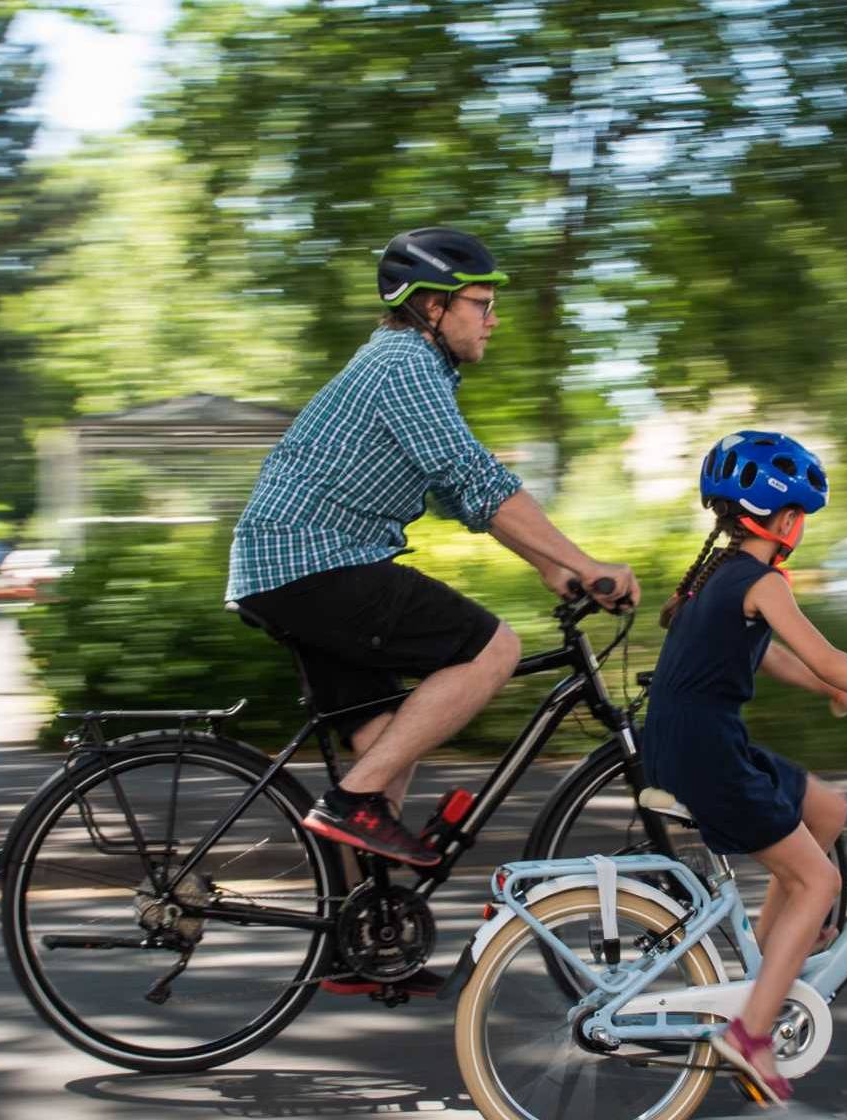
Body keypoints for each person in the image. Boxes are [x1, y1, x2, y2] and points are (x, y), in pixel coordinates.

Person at [226, 225, 639, 900]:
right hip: (315, 559)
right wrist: (585, 561)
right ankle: (351, 801)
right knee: (493, 650)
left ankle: (364, 933)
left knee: (388, 740)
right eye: (480, 303)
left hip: (293, 567)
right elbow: (476, 477)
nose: (493, 318)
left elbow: (459, 493)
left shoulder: (411, 368)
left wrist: (548, 566)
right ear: (431, 306)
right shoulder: (403, 365)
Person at [640, 431, 847, 1104]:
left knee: (828, 810)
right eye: (802, 517)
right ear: (784, 520)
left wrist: (834, 691)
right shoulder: (759, 581)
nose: (802, 528)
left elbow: (771, 655)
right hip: (708, 754)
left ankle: (765, 972)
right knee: (816, 882)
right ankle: (751, 1035)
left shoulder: (720, 578)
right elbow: (826, 654)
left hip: (692, 741)